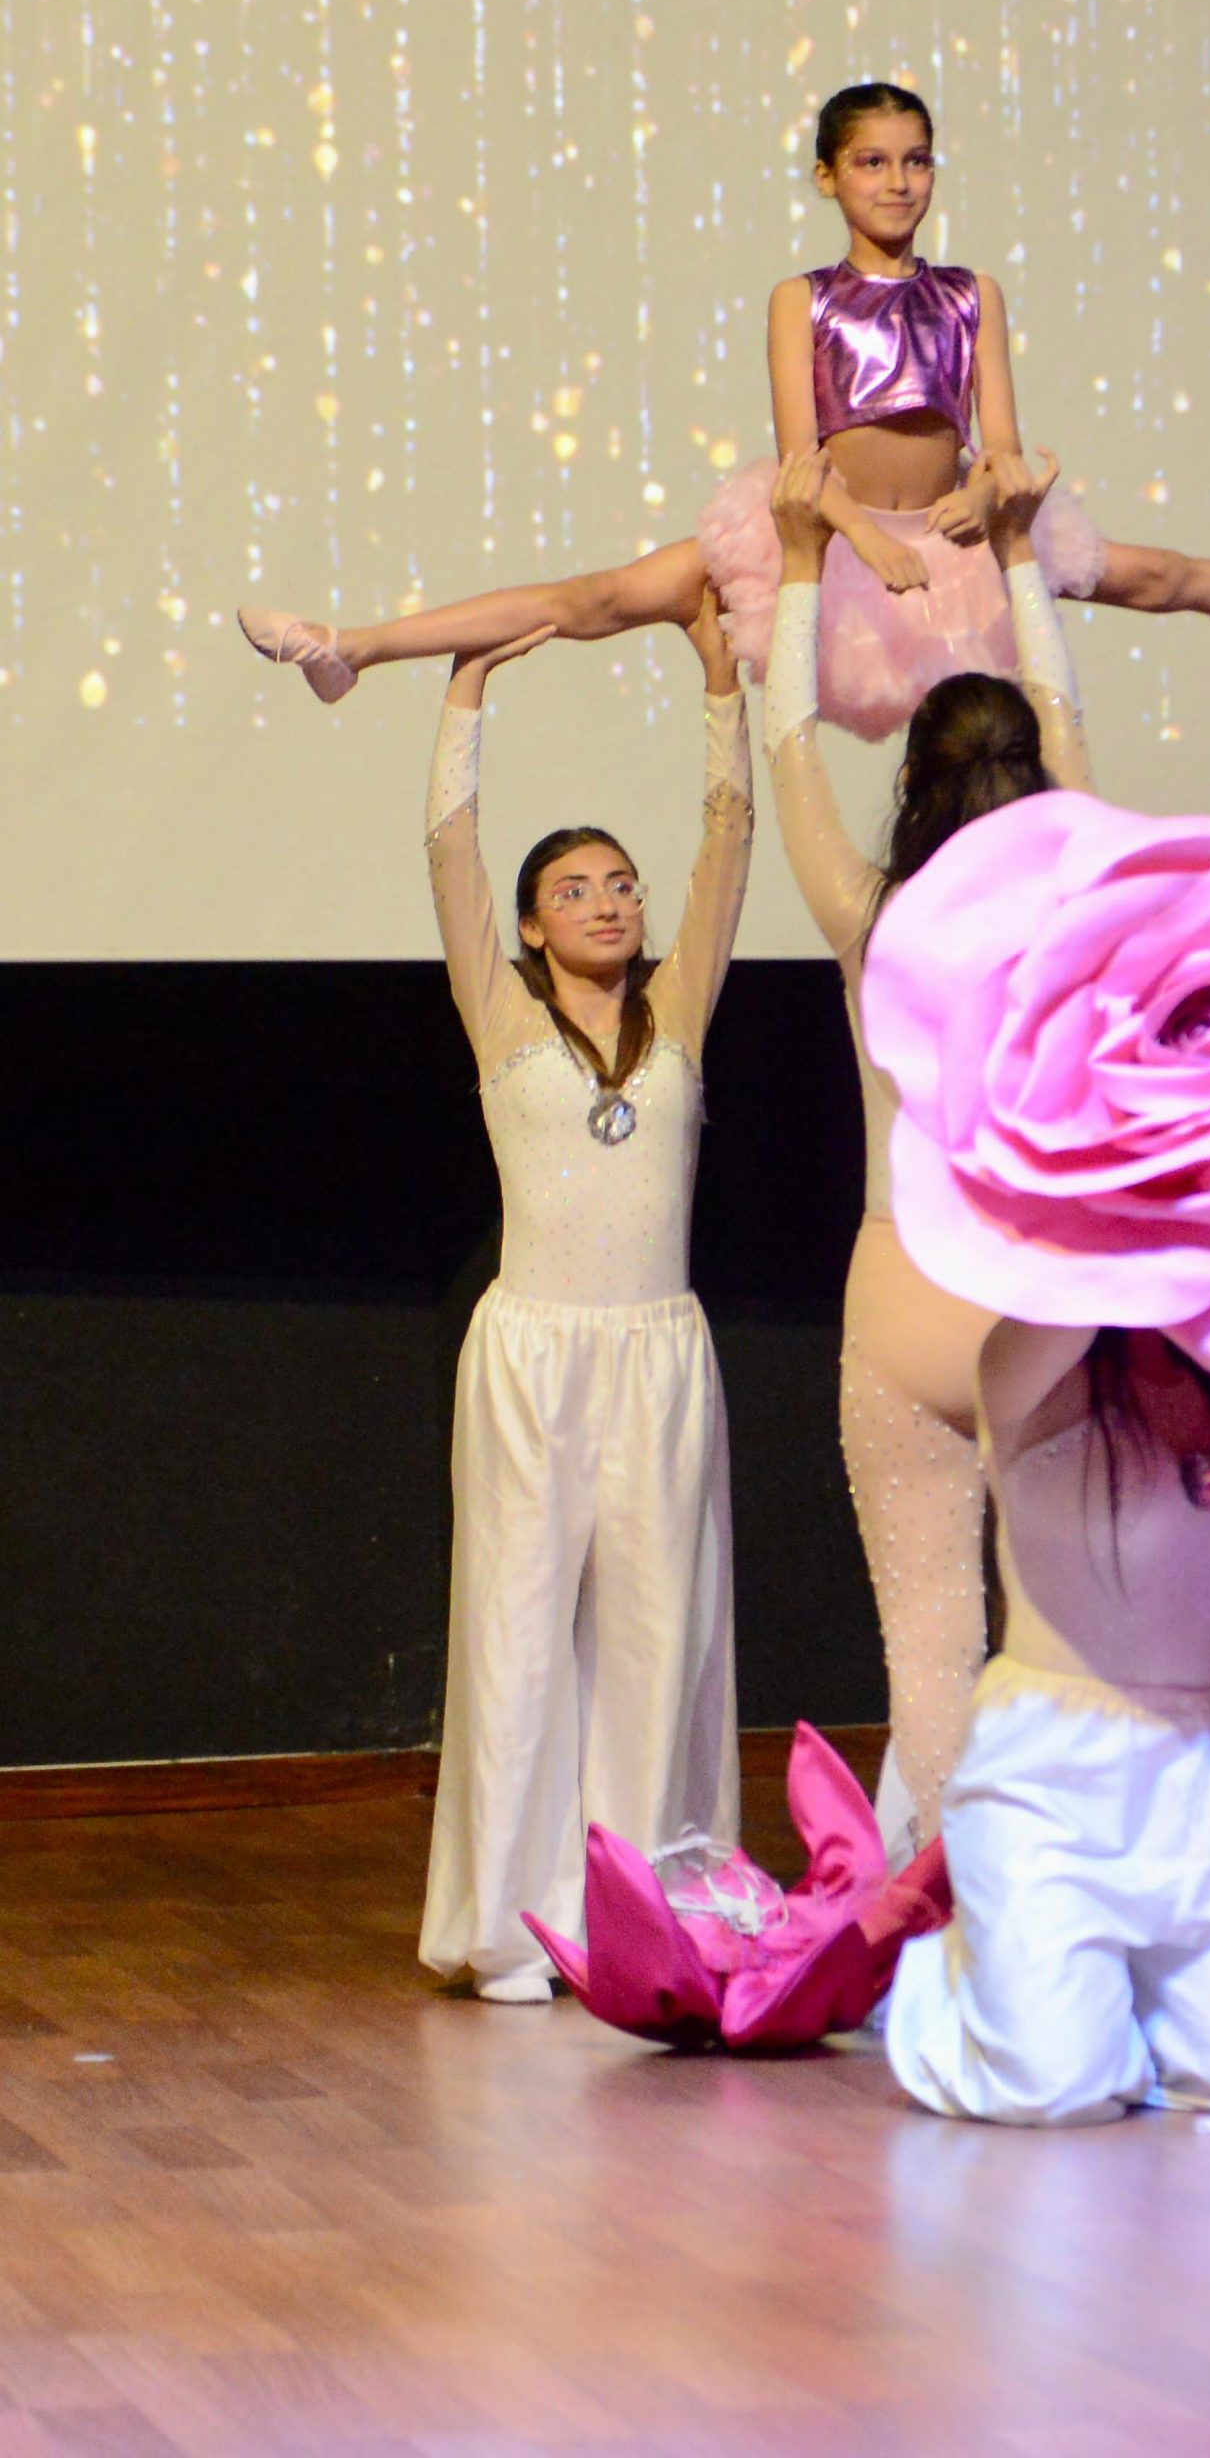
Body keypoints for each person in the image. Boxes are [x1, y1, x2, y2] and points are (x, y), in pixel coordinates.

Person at [237, 81, 1210, 729]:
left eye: (915, 160)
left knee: (1167, 577)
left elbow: (1002, 440)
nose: (899, 182)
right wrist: (861, 536)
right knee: (606, 597)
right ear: (829, 178)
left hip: (952, 538)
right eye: (873, 163)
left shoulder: (972, 291)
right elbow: (801, 459)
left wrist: (989, 492)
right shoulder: (802, 298)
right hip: (833, 544)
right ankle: (352, 645)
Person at [758, 443, 1210, 1858]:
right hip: (1039, 1295)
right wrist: (1019, 553)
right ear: (1039, 783)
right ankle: (1104, 1881)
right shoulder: (1085, 911)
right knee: (1071, 1642)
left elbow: (788, 749)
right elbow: (1083, 739)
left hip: (900, 1291)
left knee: (929, 1646)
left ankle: (951, 1909)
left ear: (916, 784)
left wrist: (802, 567)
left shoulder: (870, 915)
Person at [415, 590, 752, 2002]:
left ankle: (648, 1908)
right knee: (518, 1633)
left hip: (659, 1355)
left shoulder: (680, 1015)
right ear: (530, 927)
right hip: (532, 1359)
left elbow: (731, 838)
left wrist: (721, 676)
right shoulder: (502, 1016)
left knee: (660, 1639)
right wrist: (465, 693)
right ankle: (512, 1922)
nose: (608, 902)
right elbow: (449, 847)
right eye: (575, 890)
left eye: (621, 884)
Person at [884, 1321, 1210, 2124]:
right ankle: (965, 1982)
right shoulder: (1027, 1358)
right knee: (1051, 2084)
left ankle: (1113, 1999)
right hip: (1055, 1785)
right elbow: (1087, 1277)